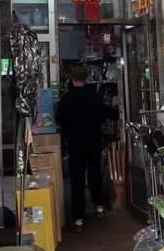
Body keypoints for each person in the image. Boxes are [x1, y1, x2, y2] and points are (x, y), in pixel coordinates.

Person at [58, 66, 110, 232]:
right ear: (86, 78)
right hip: (93, 141)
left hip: (75, 143)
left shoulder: (66, 99)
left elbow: (61, 121)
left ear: (71, 78)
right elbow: (102, 117)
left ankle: (79, 218)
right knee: (94, 173)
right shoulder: (94, 96)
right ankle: (99, 206)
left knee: (77, 179)